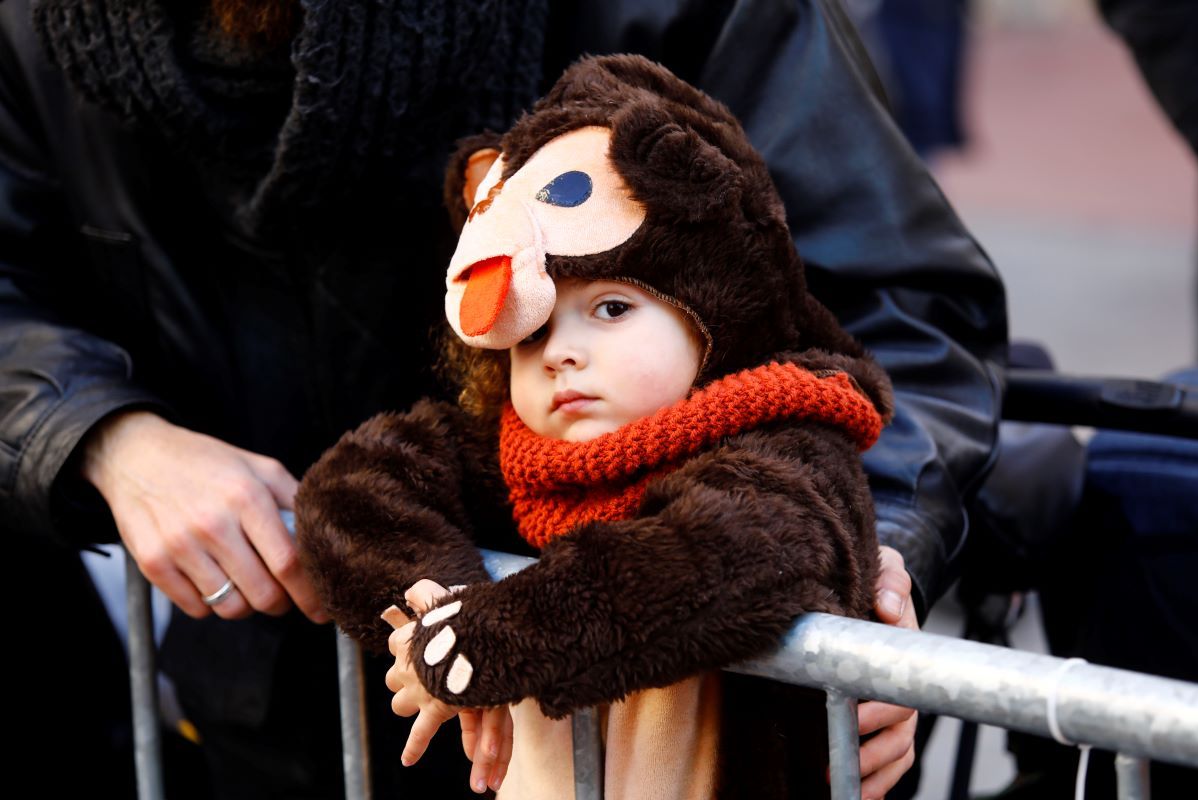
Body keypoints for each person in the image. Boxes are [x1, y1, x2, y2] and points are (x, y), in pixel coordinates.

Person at [0, 1, 1005, 797]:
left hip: (684, 721)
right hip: (264, 712)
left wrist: (857, 550)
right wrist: (104, 435)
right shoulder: (39, 30)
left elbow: (904, 310)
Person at [295, 54, 895, 799]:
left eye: (612, 308)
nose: (562, 353)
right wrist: (438, 610)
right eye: (534, 332)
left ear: (713, 325)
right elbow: (349, 493)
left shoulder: (785, 443)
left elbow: (727, 551)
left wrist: (488, 643)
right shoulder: (524, 455)